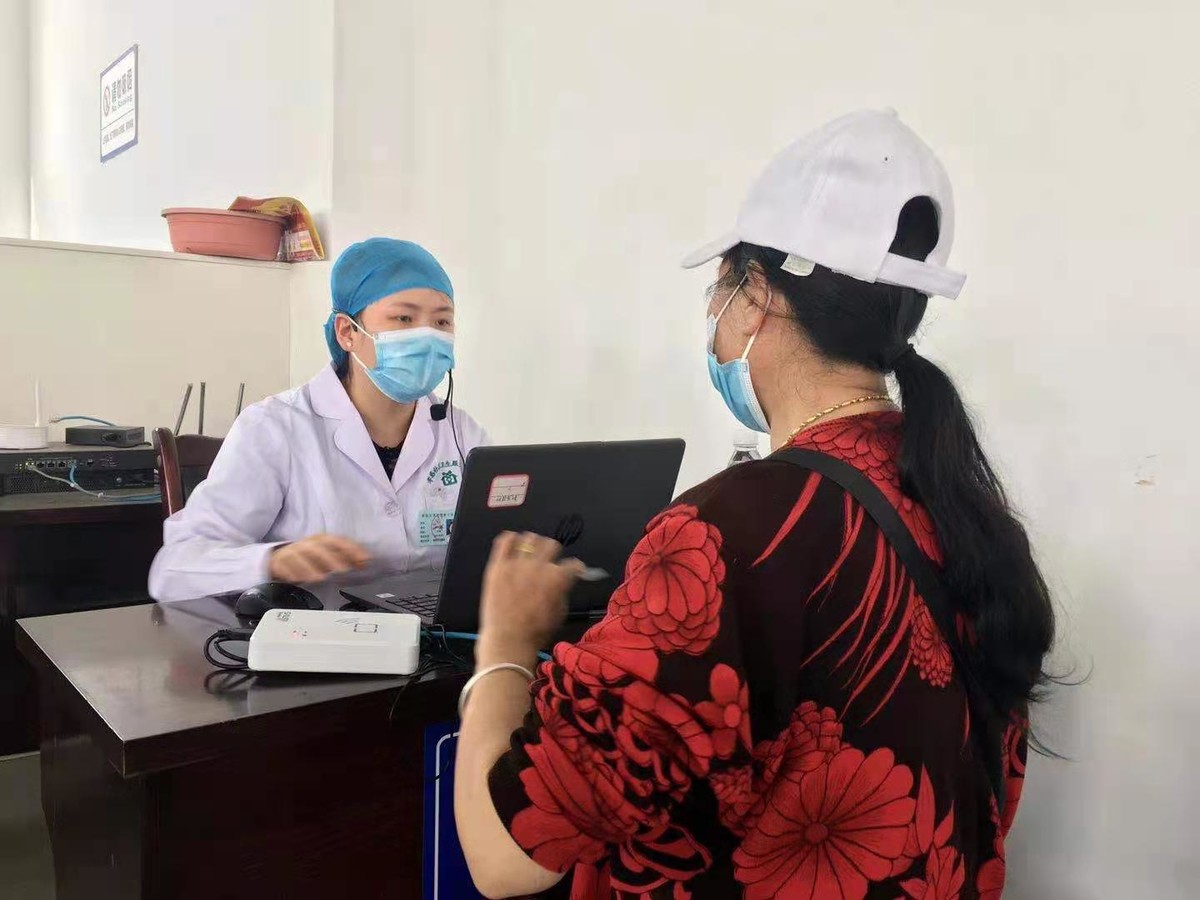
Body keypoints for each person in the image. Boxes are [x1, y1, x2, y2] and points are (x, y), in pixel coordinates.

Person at [453, 111, 1055, 899]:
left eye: (719, 288)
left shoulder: (724, 535)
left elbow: (503, 860)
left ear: (757, 296)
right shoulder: (966, 509)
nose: (713, 314)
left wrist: (503, 643)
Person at [148, 238, 488, 602]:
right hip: (315, 629)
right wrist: (273, 562)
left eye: (442, 321)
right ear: (347, 332)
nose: (428, 335)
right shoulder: (274, 428)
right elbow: (174, 569)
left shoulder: (462, 434)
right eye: (404, 318)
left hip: (437, 630)